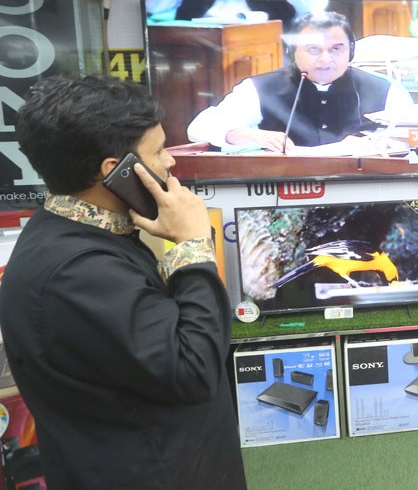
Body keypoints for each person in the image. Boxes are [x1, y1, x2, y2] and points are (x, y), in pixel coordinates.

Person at [0, 76, 246, 488]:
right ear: (115, 170)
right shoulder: (79, 271)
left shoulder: (74, 233)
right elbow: (194, 369)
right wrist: (193, 245)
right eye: (159, 151)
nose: (170, 163)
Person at [187, 10, 413, 152]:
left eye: (336, 49)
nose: (326, 59)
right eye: (313, 49)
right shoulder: (259, 88)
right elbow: (198, 128)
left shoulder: (387, 90)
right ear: (292, 51)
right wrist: (247, 135)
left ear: (351, 51)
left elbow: (415, 142)